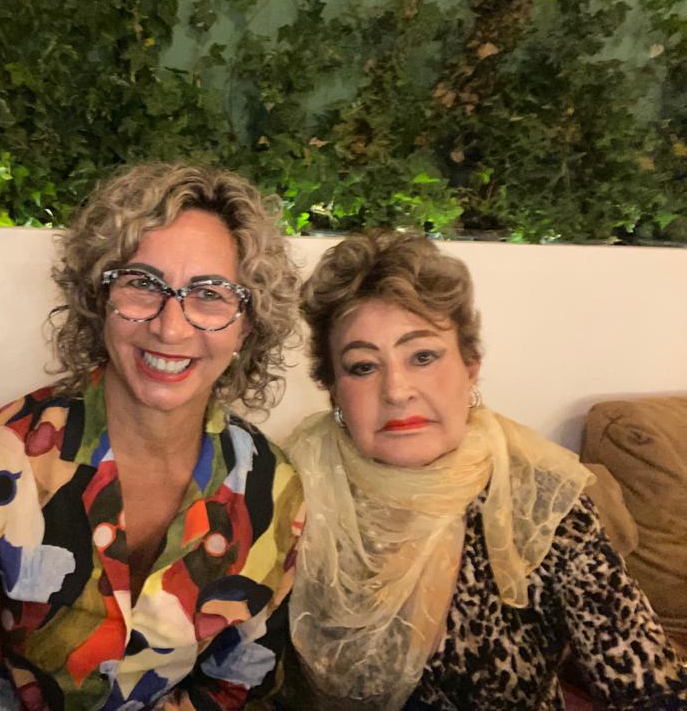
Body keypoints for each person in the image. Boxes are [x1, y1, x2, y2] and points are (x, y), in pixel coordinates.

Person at [0, 163, 304, 710]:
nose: (170, 327)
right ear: (99, 298)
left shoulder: (273, 489)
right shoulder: (8, 455)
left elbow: (239, 675)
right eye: (142, 284)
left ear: (246, 323)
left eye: (210, 294)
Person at [283, 230, 687, 710]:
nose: (396, 390)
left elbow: (650, 683)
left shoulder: (539, 501)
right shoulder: (290, 492)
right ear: (333, 389)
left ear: (470, 366)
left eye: (423, 356)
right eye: (363, 366)